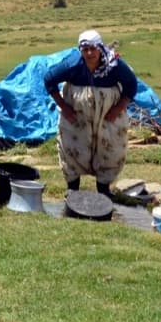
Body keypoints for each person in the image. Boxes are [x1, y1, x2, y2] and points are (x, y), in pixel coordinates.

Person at [43, 29, 138, 196]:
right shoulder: (72, 64)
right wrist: (64, 107)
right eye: (85, 49)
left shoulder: (114, 65)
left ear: (100, 48)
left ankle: (103, 190)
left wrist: (118, 109)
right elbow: (49, 79)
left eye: (93, 48)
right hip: (78, 115)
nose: (89, 53)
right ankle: (73, 189)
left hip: (108, 115)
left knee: (110, 148)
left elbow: (131, 84)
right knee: (71, 148)